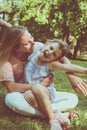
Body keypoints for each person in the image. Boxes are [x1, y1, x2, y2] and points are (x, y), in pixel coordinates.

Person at [0, 18, 87, 130]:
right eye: (26, 43)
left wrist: (73, 76)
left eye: (31, 36)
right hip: (21, 93)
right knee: (14, 101)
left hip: (44, 92)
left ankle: (50, 115)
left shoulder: (39, 49)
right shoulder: (6, 61)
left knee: (73, 98)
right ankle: (55, 115)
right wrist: (41, 84)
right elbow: (11, 87)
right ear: (16, 48)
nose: (33, 42)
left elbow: (63, 58)